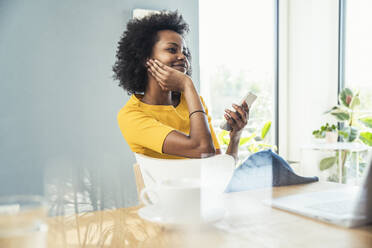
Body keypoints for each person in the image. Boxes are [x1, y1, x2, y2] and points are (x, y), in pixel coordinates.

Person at [113, 11, 249, 160]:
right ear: (146, 58)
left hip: (202, 184)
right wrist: (187, 84)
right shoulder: (132, 116)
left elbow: (216, 166)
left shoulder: (192, 102)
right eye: (172, 50)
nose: (182, 56)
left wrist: (235, 135)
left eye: (184, 51)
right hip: (166, 185)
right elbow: (203, 150)